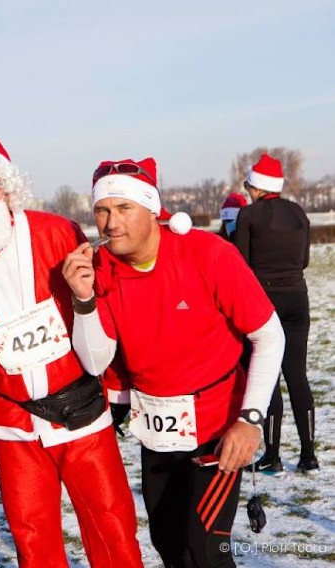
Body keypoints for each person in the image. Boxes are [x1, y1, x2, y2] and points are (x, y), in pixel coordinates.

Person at [0, 134, 143, 568]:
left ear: (7, 190)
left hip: (81, 409)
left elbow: (100, 306)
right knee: (34, 539)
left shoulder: (55, 231)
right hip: (14, 423)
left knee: (112, 530)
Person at [62, 157, 285, 567]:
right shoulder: (101, 270)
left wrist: (250, 419)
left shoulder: (207, 253)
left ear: (151, 209)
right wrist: (83, 301)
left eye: (124, 208)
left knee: (206, 548)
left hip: (218, 428)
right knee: (168, 543)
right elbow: (97, 361)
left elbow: (269, 334)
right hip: (157, 428)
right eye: (102, 210)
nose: (111, 223)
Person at [235, 154, 318, 475]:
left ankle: (272, 455)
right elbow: (306, 261)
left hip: (264, 301)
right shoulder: (299, 213)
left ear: (255, 186)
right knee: (297, 376)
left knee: (267, 377)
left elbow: (240, 264)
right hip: (298, 298)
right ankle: (309, 455)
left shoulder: (248, 215)